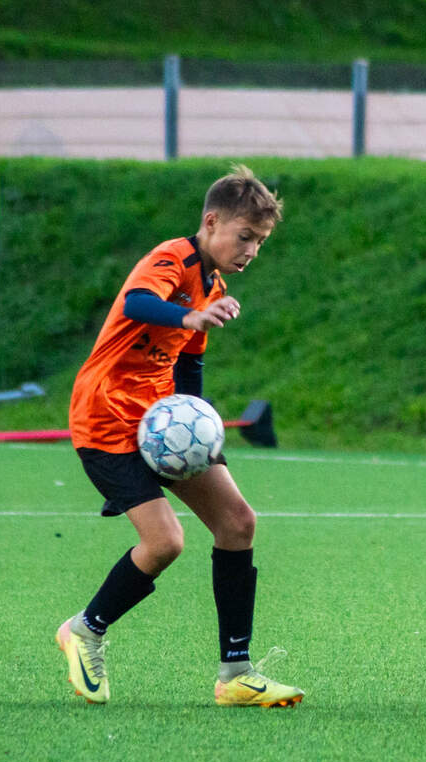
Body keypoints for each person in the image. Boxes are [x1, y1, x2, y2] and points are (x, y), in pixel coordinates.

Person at [57, 164, 304, 708]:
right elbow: (137, 304)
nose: (251, 251)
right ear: (211, 222)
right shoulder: (173, 258)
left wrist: (202, 425)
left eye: (260, 242)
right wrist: (190, 317)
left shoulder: (212, 286)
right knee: (165, 542)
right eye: (245, 236)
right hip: (105, 419)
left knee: (238, 522)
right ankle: (84, 630)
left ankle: (235, 673)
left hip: (161, 424)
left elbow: (189, 367)